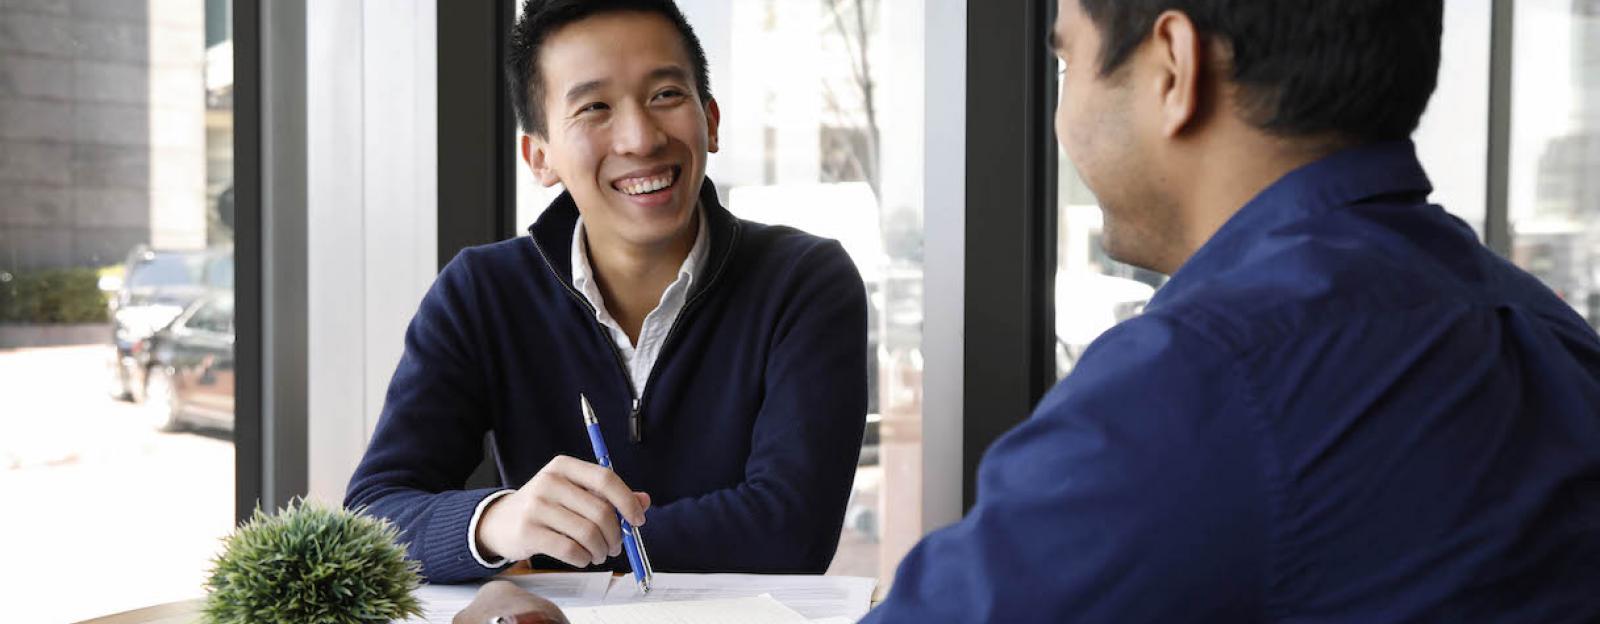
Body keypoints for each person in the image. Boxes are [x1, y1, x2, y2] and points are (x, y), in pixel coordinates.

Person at [862, 0, 1600, 621]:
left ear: (1174, 68)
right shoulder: (1552, 336)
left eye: (1066, 65)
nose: (1061, 113)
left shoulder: (1200, 377)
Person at [345, 0, 868, 584]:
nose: (641, 138)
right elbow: (373, 520)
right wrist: (500, 521)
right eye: (594, 107)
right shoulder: (482, 292)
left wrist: (542, 552)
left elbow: (792, 532)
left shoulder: (803, 281)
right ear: (539, 156)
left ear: (711, 120)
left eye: (666, 95)